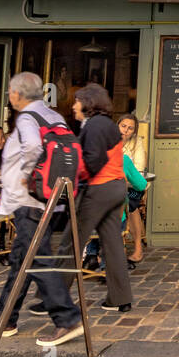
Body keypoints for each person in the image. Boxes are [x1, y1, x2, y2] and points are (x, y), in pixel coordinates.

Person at [0, 72, 83, 346]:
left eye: (11, 92)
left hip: (29, 200)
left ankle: (67, 318)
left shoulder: (26, 118)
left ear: (17, 94)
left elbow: (34, 147)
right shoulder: (54, 116)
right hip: (48, 199)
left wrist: (27, 174)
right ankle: (4, 318)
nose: (10, 96)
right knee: (23, 260)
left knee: (34, 259)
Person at [61, 83, 133, 313]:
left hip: (98, 189)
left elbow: (92, 161)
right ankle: (120, 298)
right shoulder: (109, 126)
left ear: (87, 104)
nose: (73, 106)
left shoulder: (94, 126)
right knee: (112, 245)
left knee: (71, 241)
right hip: (116, 188)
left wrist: (76, 177)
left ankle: (54, 297)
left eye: (77, 101)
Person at [119, 114, 147, 267]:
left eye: (130, 128)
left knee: (131, 206)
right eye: (123, 126)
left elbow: (139, 169)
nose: (126, 130)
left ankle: (137, 247)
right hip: (116, 187)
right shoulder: (109, 141)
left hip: (132, 186)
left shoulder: (137, 143)